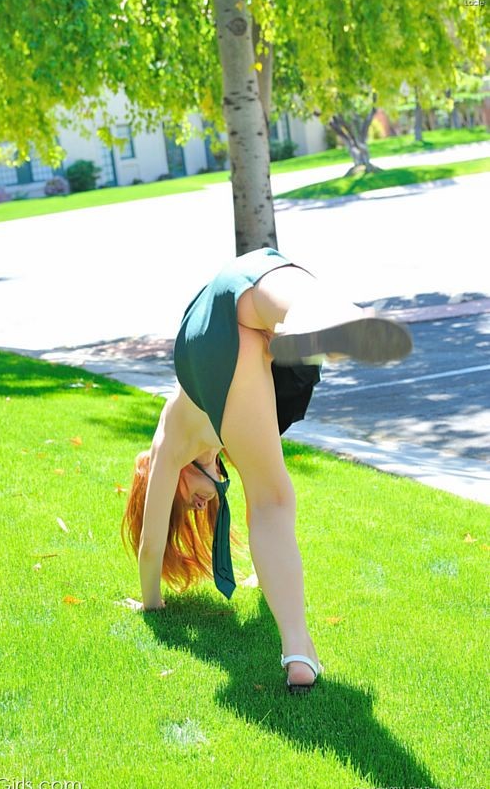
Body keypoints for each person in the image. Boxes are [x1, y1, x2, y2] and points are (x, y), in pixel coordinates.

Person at [122, 248, 412, 694]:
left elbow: (149, 546)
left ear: (170, 485)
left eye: (190, 503)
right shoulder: (215, 447)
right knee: (300, 301)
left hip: (206, 348)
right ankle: (314, 325)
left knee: (272, 502)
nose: (202, 505)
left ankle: (300, 650)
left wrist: (151, 604)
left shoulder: (166, 449)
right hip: (239, 312)